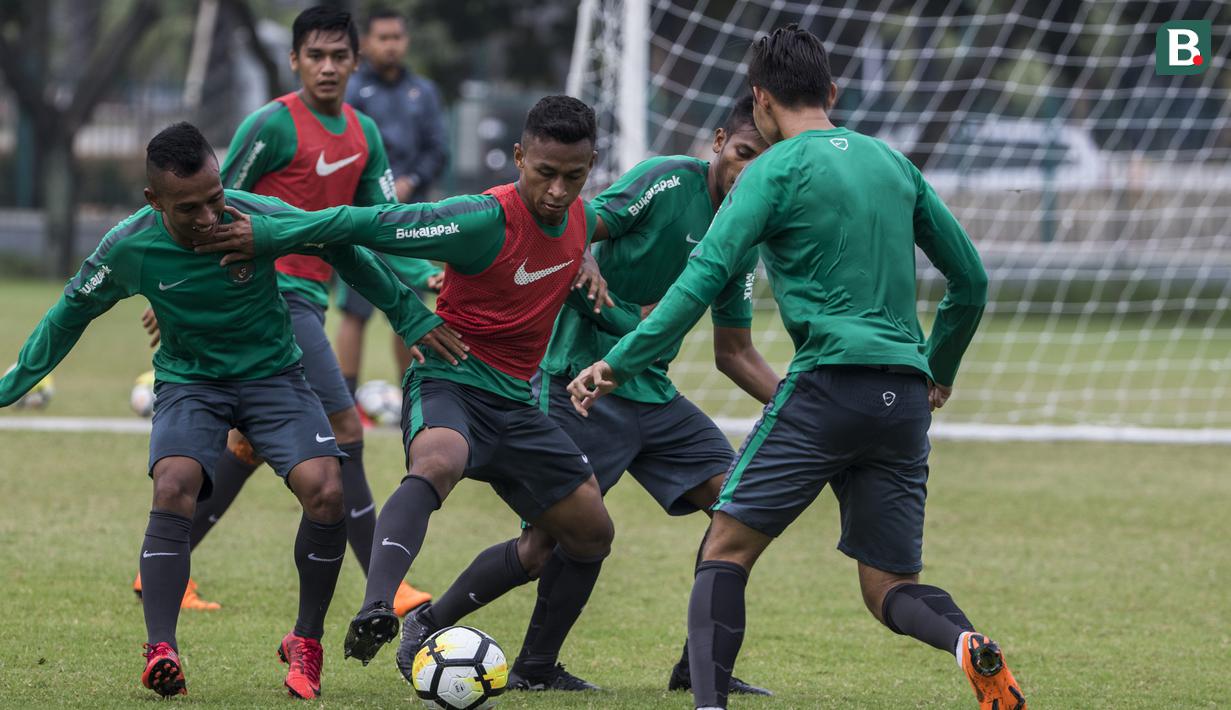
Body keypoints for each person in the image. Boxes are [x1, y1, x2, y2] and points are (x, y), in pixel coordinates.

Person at [567, 25, 1025, 710]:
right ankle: (965, 641)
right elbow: (971, 281)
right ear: (831, 91)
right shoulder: (890, 163)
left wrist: (618, 361)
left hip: (826, 384)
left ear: (758, 99)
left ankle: (708, 704)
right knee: (887, 586)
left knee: (724, 548)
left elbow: (700, 279)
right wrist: (939, 366)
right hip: (902, 400)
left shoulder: (773, 169)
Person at [0, 122, 451, 699]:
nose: (210, 217)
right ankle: (161, 647)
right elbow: (69, 313)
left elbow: (341, 247)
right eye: (189, 208)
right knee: (174, 484)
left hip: (274, 378)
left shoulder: (253, 214)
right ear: (154, 201)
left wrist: (408, 313)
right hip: (192, 383)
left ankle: (305, 643)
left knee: (327, 489)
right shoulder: (129, 246)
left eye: (215, 198)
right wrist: (14, 383)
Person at [192, 95, 634, 678]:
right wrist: (274, 233)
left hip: (520, 404)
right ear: (520, 157)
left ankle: (465, 638)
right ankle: (379, 604)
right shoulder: (481, 219)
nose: (557, 190)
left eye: (573, 177)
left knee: (588, 533)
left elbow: (624, 219)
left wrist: (596, 266)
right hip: (450, 379)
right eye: (544, 173)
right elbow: (364, 223)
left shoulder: (584, 218)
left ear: (592, 165)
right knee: (438, 462)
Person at [403, 95, 778, 693]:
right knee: (544, 546)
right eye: (743, 153)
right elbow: (575, 215)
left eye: (768, 159)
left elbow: (734, 352)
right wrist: (581, 260)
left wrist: (797, 401)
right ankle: (438, 627)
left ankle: (701, 668)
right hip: (578, 379)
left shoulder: (747, 228)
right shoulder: (666, 180)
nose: (750, 170)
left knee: (741, 510)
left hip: (651, 391)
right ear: (717, 144)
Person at [169, 5, 431, 616]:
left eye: (340, 56)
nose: (328, 67)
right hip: (272, 298)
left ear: (355, 63)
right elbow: (211, 206)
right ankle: (385, 588)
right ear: (295, 61)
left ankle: (164, 566)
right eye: (315, 55)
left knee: (249, 444)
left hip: (312, 296)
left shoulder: (365, 134)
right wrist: (181, 293)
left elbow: (382, 226)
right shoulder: (273, 124)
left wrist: (427, 271)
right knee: (345, 431)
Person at [336, 5, 452, 400]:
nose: (390, 45)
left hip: (410, 221)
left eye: (396, 37)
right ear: (366, 43)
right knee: (355, 311)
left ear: (406, 41)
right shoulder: (351, 92)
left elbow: (438, 150)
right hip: (365, 218)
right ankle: (345, 398)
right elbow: (344, 150)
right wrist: (375, 190)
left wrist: (411, 181)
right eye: (382, 38)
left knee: (410, 310)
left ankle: (412, 394)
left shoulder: (424, 91)